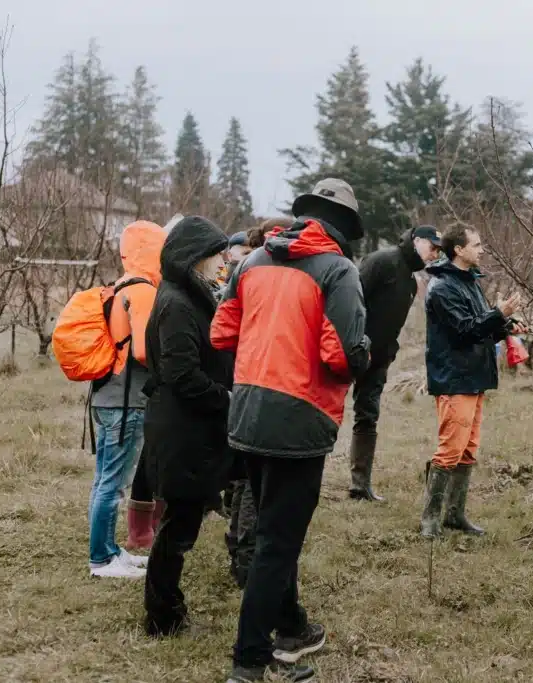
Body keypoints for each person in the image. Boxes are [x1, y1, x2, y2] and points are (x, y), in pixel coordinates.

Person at [212, 178, 370, 683]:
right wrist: (363, 354)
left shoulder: (252, 262)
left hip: (247, 409)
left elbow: (221, 333)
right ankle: (249, 662)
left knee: (274, 532)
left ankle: (293, 627)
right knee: (277, 545)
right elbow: (342, 355)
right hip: (299, 419)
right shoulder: (338, 270)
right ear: (344, 227)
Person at [140, 216, 234, 636]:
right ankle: (163, 617)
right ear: (195, 256)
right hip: (182, 432)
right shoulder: (177, 303)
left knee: (180, 524)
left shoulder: (187, 295)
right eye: (217, 254)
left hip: (190, 429)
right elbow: (182, 375)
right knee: (177, 529)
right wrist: (227, 398)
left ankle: (165, 610)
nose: (223, 261)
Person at [420, 225, 526, 538]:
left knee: (467, 450)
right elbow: (464, 331)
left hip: (475, 376)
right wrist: (498, 313)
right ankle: (430, 520)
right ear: (458, 249)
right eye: (476, 245)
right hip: (455, 378)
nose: (481, 250)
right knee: (450, 450)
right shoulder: (442, 288)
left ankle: (454, 515)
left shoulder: (469, 281)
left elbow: (481, 330)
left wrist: (505, 325)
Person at [89, 220, 166, 578]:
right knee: (113, 484)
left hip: (106, 396)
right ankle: (102, 560)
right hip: (127, 401)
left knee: (104, 481)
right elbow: (142, 351)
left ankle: (109, 551)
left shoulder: (120, 284)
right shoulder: (144, 290)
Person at [349, 225, 442, 501]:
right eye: (432, 247)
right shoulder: (382, 261)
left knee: (368, 415)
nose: (435, 254)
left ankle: (360, 486)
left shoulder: (412, 282)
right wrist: (355, 345)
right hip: (348, 352)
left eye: (438, 251)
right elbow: (351, 302)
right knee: (326, 414)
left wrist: (388, 352)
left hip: (378, 361)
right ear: (416, 240)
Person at [225, 216, 293, 588]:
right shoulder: (259, 275)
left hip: (244, 385)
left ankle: (238, 548)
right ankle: (246, 560)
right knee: (253, 484)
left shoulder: (247, 272)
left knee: (242, 479)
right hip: (256, 386)